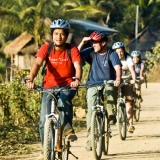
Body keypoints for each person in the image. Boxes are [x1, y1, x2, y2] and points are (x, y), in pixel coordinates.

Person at [26, 19, 82, 160]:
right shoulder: (46, 48)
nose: (59, 37)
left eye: (62, 34)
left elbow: (78, 67)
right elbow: (37, 64)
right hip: (49, 87)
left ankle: (68, 130)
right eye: (56, 33)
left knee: (63, 101)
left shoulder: (72, 49)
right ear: (52, 35)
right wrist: (30, 79)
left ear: (66, 35)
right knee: (42, 121)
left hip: (68, 86)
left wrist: (77, 79)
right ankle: (45, 149)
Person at [78, 31, 122, 151]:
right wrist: (83, 42)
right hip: (92, 84)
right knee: (91, 110)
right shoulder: (91, 51)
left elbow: (118, 68)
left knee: (109, 90)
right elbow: (76, 54)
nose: (93, 45)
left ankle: (111, 114)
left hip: (108, 83)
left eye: (96, 42)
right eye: (92, 42)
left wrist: (117, 79)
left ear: (103, 43)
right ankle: (89, 139)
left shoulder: (111, 54)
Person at [112, 42, 136, 133]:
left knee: (129, 102)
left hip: (127, 81)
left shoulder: (128, 58)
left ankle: (130, 124)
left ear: (124, 51)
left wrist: (133, 79)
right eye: (117, 52)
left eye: (121, 51)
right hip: (115, 82)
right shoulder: (112, 59)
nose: (119, 54)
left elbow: (132, 70)